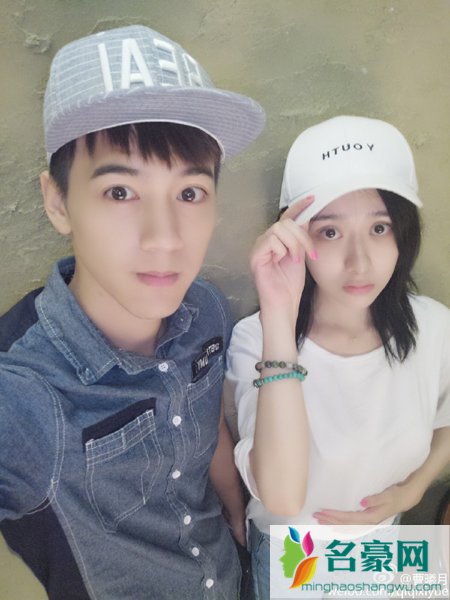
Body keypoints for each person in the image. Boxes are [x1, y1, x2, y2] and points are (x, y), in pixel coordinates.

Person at [0, 24, 265, 599]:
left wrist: (239, 517)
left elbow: (206, 421)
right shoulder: (21, 397)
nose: (164, 237)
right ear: (57, 201)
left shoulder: (204, 311)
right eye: (120, 191)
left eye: (189, 193)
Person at [225, 116, 450, 599]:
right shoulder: (256, 339)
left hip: (383, 545)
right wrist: (279, 316)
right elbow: (282, 496)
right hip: (294, 555)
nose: (359, 261)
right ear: (293, 236)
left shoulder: (433, 327)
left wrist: (415, 487)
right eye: (329, 232)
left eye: (379, 228)